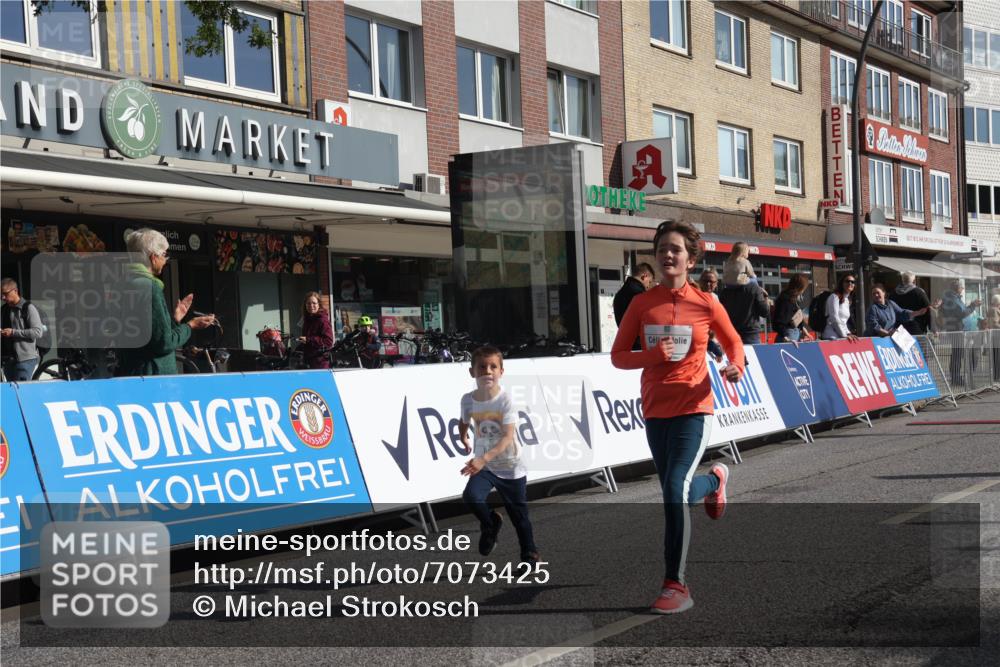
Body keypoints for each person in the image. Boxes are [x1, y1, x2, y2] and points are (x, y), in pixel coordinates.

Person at [610, 219, 744, 615]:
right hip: (655, 409)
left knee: (671, 488)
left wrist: (735, 364)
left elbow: (734, 341)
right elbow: (618, 356)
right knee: (678, 491)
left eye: (676, 249)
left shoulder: (705, 302)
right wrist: (653, 355)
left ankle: (675, 584)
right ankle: (715, 480)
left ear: (690, 258)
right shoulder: (641, 303)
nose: (668, 254)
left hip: (694, 407)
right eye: (662, 248)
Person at [460, 345, 539, 563]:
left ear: (501, 372)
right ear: (472, 372)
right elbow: (464, 419)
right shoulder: (468, 399)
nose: (487, 371)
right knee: (471, 497)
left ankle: (529, 554)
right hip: (485, 465)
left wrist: (481, 459)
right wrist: (463, 436)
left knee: (519, 517)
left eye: (493, 367)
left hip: (510, 465)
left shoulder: (506, 401)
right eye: (482, 367)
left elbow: (507, 437)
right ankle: (490, 523)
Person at [116, 229, 216, 376]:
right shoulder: (150, 288)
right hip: (153, 377)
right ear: (153, 257)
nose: (166, 260)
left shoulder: (124, 284)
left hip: (131, 372)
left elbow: (151, 334)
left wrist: (175, 319)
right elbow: (164, 343)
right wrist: (190, 326)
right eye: (164, 255)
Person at [939, 279, 982, 386]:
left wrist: (971, 306)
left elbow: (962, 312)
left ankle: (958, 378)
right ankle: (956, 379)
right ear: (957, 288)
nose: (963, 289)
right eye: (961, 287)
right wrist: (972, 305)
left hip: (960, 330)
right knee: (957, 355)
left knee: (958, 355)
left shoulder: (955, 298)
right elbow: (961, 313)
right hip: (956, 330)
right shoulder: (952, 299)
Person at [1, 278, 42, 381]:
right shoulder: (3, 309)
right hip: (8, 360)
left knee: (22, 392)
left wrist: (13, 332)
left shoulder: (28, 308)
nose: (2, 297)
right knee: (13, 394)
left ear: (15, 291)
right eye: (0, 294)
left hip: (25, 360)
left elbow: (37, 332)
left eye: (5, 293)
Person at [614, 263, 655, 351]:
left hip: (626, 344)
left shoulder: (620, 293)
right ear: (644, 276)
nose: (648, 286)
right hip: (640, 346)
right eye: (649, 282)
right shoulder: (639, 295)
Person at [719, 279, 770, 345]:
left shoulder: (725, 292)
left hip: (731, 334)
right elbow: (765, 312)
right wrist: (765, 297)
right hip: (750, 335)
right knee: (751, 355)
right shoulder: (754, 288)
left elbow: (721, 315)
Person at [297, 292, 334, 369]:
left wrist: (308, 340)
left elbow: (328, 341)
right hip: (309, 361)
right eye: (308, 303)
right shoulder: (307, 320)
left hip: (320, 363)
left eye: (314, 303)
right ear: (305, 305)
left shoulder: (322, 320)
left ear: (319, 305)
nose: (311, 306)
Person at [695, 271, 725, 361]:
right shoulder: (694, 297)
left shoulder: (715, 297)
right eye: (705, 281)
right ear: (700, 282)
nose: (708, 284)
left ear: (716, 284)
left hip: (711, 343)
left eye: (711, 282)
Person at [773, 274, 811, 343]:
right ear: (799, 287)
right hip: (788, 335)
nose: (803, 291)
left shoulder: (792, 298)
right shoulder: (786, 300)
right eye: (803, 288)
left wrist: (802, 328)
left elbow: (794, 316)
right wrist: (785, 337)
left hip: (792, 334)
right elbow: (779, 322)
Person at [822, 274, 858, 341]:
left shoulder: (847, 300)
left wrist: (848, 333)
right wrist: (844, 335)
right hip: (831, 336)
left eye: (853, 282)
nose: (850, 283)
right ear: (842, 283)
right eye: (847, 281)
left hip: (841, 336)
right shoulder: (834, 297)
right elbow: (834, 317)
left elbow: (843, 322)